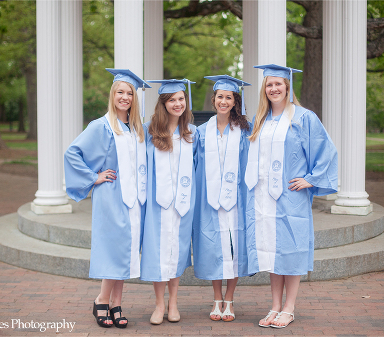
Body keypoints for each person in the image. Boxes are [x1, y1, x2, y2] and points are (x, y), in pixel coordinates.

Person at [244, 64, 338, 329]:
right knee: (273, 252)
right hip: (264, 196)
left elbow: (327, 151)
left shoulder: (303, 117)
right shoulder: (259, 120)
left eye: (278, 84)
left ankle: (289, 307)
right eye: (269, 85)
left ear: (287, 87)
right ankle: (274, 305)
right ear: (265, 89)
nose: (274, 88)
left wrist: (310, 178)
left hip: (291, 196)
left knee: (292, 249)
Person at [64, 68, 150, 329]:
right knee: (115, 248)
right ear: (113, 95)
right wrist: (94, 177)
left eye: (130, 93)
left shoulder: (136, 128)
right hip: (112, 195)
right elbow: (72, 153)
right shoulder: (101, 126)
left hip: (135, 199)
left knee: (126, 251)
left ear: (135, 98)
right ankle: (102, 299)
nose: (125, 97)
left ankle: (116, 303)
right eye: (120, 92)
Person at [193, 75, 253, 322]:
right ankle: (217, 298)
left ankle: (230, 298)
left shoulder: (245, 130)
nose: (224, 101)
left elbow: (250, 164)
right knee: (213, 247)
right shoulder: (200, 131)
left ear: (235, 101)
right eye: (220, 97)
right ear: (213, 99)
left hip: (236, 199)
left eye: (229, 97)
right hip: (209, 200)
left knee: (234, 248)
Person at [140, 78, 199, 325]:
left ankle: (173, 302)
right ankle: (159, 304)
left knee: (176, 252)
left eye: (181, 99)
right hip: (157, 204)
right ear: (163, 104)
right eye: (172, 100)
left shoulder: (193, 133)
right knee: (158, 252)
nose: (177, 103)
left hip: (183, 203)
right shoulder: (148, 130)